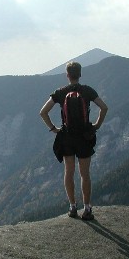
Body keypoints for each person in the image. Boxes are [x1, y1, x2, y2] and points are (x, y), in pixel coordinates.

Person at [39, 61, 108, 220]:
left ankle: (72, 207)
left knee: (69, 172)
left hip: (67, 137)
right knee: (85, 174)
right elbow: (104, 107)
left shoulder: (60, 92)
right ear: (80, 74)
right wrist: (96, 125)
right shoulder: (88, 91)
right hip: (84, 136)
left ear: (67, 75)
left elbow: (43, 112)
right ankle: (87, 208)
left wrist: (53, 128)